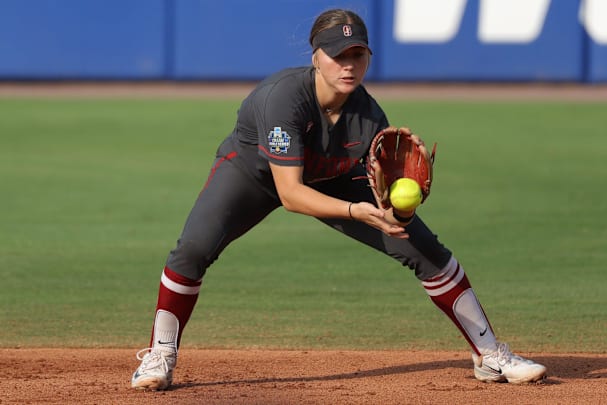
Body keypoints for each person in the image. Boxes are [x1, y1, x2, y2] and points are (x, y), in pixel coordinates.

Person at [130, 8, 547, 390]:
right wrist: (356, 212)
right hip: (253, 173)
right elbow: (291, 194)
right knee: (192, 251)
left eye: (357, 56)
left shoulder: (370, 119)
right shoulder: (283, 98)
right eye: (336, 55)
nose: (347, 65)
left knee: (427, 251)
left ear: (368, 59)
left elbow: (388, 206)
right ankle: (160, 355)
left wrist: (402, 206)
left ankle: (490, 356)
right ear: (316, 57)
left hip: (335, 177)